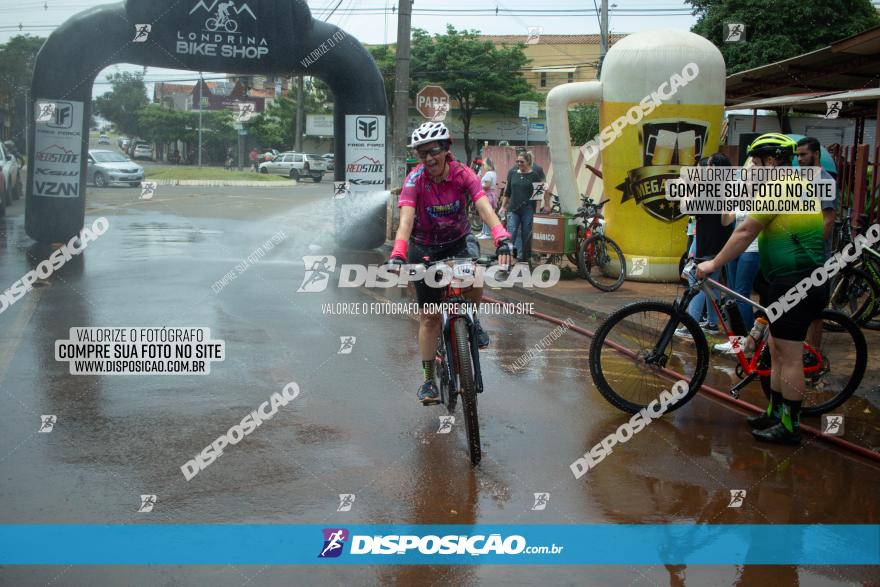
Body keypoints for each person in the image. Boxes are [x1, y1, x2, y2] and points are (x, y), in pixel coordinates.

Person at [696, 133, 827, 444]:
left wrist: (713, 264)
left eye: (755, 163)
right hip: (787, 279)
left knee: (790, 357)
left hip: (797, 280)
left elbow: (744, 232)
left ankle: (790, 427)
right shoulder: (794, 183)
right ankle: (775, 413)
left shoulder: (781, 187)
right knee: (779, 353)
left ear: (771, 161)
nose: (752, 169)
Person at [387, 121, 512, 404]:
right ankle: (429, 379)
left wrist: (502, 237)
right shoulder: (414, 180)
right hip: (425, 247)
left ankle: (473, 320)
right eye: (422, 154)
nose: (429, 158)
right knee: (430, 316)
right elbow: (405, 221)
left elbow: (483, 207)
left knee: (474, 276)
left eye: (434, 151)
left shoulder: (463, 174)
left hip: (458, 241)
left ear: (446, 149)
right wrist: (398, 253)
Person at [675, 154, 733, 338]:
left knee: (696, 282)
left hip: (709, 244)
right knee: (711, 285)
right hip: (718, 243)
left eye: (707, 166)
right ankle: (712, 323)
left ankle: (691, 326)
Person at [713, 206, 761, 353]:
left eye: (751, 180)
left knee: (741, 295)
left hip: (752, 249)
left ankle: (745, 339)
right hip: (735, 249)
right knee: (731, 295)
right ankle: (736, 340)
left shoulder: (763, 198)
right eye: (746, 180)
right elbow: (726, 221)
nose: (748, 181)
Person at [499, 151, 546, 262]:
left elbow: (539, 195)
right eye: (517, 161)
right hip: (513, 209)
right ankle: (507, 259)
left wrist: (538, 210)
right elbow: (507, 192)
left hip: (528, 209)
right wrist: (503, 206)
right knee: (511, 234)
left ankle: (525, 259)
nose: (519, 163)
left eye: (521, 161)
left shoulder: (534, 175)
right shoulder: (513, 173)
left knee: (526, 235)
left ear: (528, 162)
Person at [477, 158, 498, 239]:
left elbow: (487, 186)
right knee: (486, 213)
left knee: (486, 214)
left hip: (487, 195)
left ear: (488, 165)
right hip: (490, 194)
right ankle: (483, 232)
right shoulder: (493, 173)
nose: (483, 166)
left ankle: (487, 233)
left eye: (484, 164)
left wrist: (479, 185)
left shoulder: (489, 173)